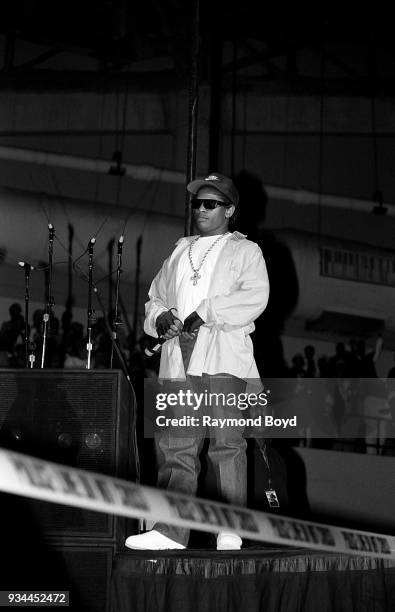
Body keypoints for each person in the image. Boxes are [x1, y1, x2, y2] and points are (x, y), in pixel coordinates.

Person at [125, 172, 269, 551]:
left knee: (226, 442)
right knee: (176, 445)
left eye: (211, 204)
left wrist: (206, 311)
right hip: (178, 359)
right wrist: (161, 318)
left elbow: (255, 295)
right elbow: (154, 297)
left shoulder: (244, 250)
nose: (201, 210)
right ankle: (170, 532)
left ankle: (230, 528)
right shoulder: (178, 251)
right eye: (197, 203)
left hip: (221, 354)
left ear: (230, 210)